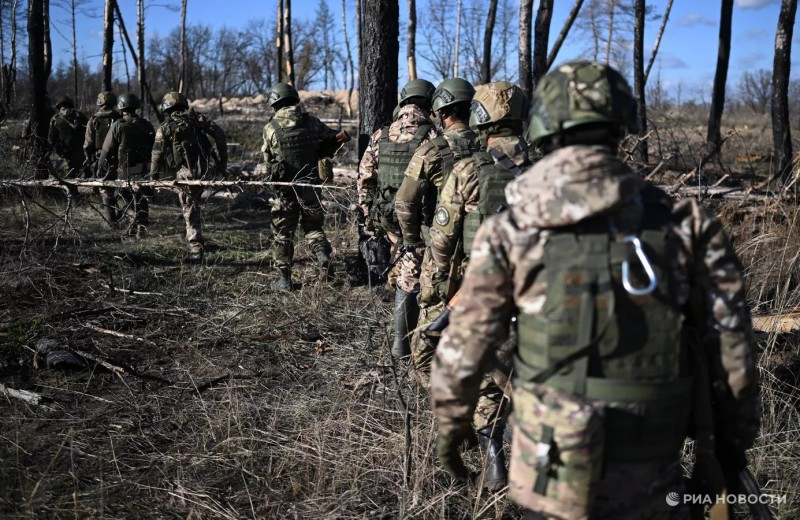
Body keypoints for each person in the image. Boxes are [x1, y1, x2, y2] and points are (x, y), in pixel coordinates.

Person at [430, 61, 760, 519]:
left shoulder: (511, 230)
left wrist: (452, 429)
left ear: (543, 128)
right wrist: (730, 448)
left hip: (549, 468)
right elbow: (734, 355)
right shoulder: (688, 225)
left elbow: (465, 345)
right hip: (650, 463)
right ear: (620, 128)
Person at [426, 81, 530, 492]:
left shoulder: (468, 171)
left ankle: (495, 464)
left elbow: (441, 241)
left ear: (482, 119)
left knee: (490, 374)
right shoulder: (551, 167)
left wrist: (443, 282)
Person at [394, 78, 481, 371]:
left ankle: (419, 366)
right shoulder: (488, 146)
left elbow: (405, 202)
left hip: (441, 244)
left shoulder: (431, 150)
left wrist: (412, 241)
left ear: (442, 111)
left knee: (432, 309)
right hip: (484, 246)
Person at [357, 78, 438, 357]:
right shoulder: (432, 135)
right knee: (411, 277)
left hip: (386, 218)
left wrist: (369, 216)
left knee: (403, 266)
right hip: (418, 221)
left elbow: (364, 179)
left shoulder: (381, 135)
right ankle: (402, 348)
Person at [261, 82, 350, 290]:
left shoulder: (271, 128)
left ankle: (284, 279)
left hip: (286, 189)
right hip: (311, 185)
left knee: (283, 234)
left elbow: (269, 162)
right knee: (313, 227)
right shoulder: (311, 122)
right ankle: (322, 256)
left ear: (275, 103)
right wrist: (322, 151)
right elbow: (335, 137)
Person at [151, 91, 228, 263]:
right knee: (192, 205)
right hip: (204, 168)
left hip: (187, 172)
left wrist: (152, 177)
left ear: (166, 108)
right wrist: (223, 162)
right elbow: (220, 135)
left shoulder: (166, 126)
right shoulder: (198, 119)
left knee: (190, 207)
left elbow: (156, 154)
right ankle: (191, 236)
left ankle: (195, 248)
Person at [96, 93, 155, 235]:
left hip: (125, 169)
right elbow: (154, 147)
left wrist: (100, 168)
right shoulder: (146, 124)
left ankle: (133, 218)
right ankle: (141, 226)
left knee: (122, 196)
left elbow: (106, 149)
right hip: (143, 168)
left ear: (121, 107)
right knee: (141, 195)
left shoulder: (118, 125)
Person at [84, 91, 121, 223]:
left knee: (105, 189)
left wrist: (89, 159)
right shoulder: (120, 118)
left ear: (99, 103)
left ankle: (111, 223)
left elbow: (88, 143)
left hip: (101, 158)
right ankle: (121, 214)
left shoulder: (93, 120)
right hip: (119, 159)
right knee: (120, 188)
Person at [48, 96, 88, 178]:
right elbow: (89, 131)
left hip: (65, 153)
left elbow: (51, 139)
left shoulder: (56, 118)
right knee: (77, 175)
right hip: (73, 152)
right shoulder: (79, 116)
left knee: (61, 176)